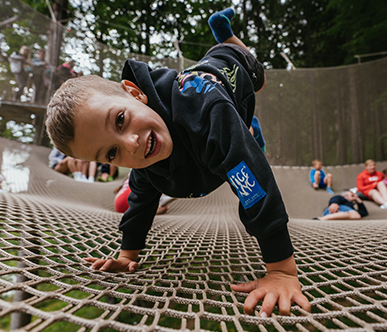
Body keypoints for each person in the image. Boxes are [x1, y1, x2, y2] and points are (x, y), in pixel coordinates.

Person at [45, 8, 311, 317]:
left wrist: (281, 270)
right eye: (112, 154)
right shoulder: (143, 157)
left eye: (120, 120)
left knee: (258, 83)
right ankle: (247, 128)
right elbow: (140, 199)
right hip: (219, 109)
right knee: (229, 137)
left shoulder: (203, 112)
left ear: (134, 93)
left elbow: (252, 182)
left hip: (230, 66)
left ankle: (227, 38)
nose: (130, 143)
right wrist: (128, 252)